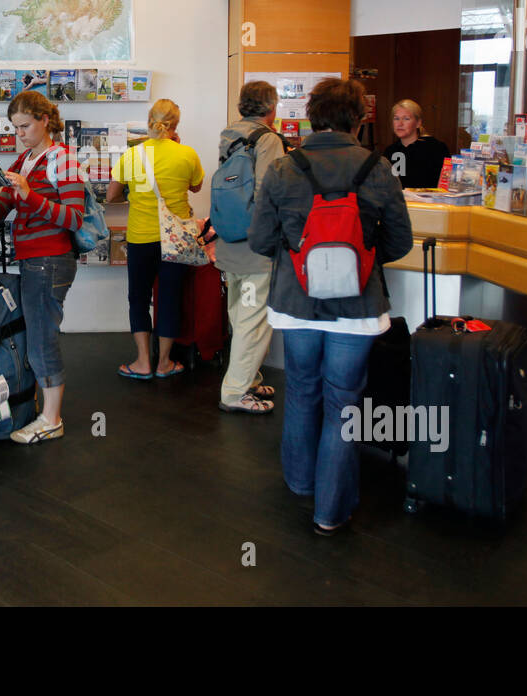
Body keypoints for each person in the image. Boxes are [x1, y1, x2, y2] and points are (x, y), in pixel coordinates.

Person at [249, 78, 413, 535]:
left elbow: (261, 239)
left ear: (311, 115)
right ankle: (330, 511)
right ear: (358, 118)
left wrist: (299, 256)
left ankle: (301, 483)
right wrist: (359, 258)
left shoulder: (283, 167)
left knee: (302, 390)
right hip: (357, 307)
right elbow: (399, 241)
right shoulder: (378, 168)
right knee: (344, 403)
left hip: (296, 302)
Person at [0, 91, 84, 444]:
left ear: (44, 120)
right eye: (15, 128)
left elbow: (74, 218)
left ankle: (51, 419)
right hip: (33, 260)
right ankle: (45, 411)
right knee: (35, 336)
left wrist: (29, 195)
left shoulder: (62, 159)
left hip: (51, 260)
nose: (19, 134)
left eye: (25, 126)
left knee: (41, 339)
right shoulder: (24, 160)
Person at [108, 99, 205, 380]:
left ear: (150, 121)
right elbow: (196, 186)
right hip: (175, 239)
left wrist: (134, 194)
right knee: (170, 298)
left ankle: (142, 362)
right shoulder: (186, 154)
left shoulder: (132, 155)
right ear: (175, 125)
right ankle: (164, 363)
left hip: (141, 237)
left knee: (139, 298)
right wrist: (177, 148)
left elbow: (112, 195)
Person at [215, 81, 287, 414]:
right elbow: (269, 193)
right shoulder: (268, 139)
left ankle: (250, 377)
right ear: (271, 107)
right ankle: (234, 392)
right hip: (256, 248)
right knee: (253, 321)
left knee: (240, 313)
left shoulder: (230, 134)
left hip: (231, 242)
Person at [383, 99, 451, 189]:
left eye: (406, 119)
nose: (400, 124)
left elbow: (446, 183)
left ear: (418, 123)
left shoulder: (436, 148)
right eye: (396, 118)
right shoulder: (389, 151)